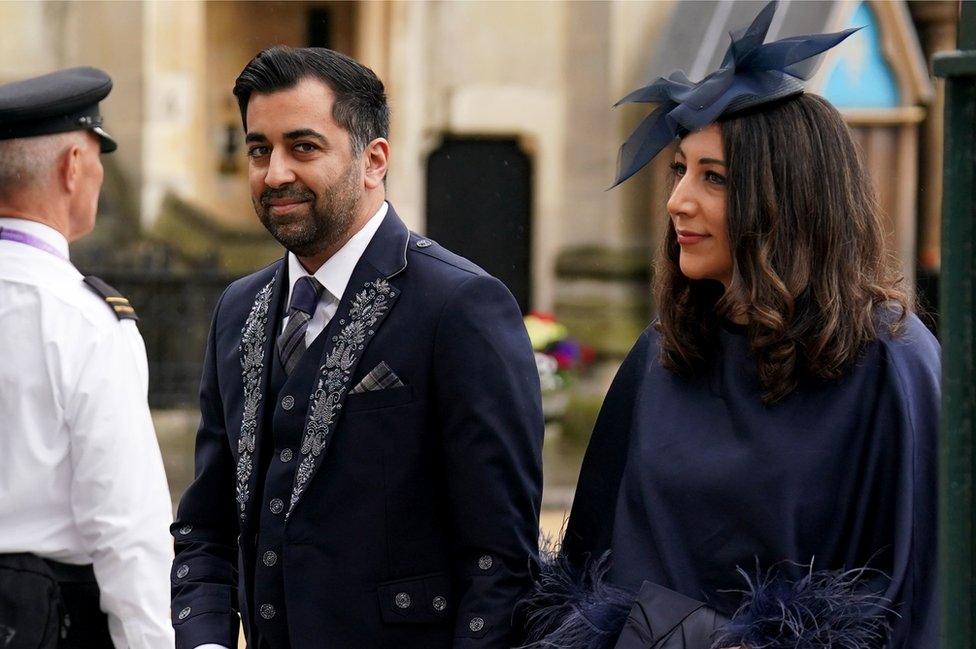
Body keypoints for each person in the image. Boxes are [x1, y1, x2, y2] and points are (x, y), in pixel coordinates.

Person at [520, 2, 938, 648]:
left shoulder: (891, 362)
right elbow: (591, 570)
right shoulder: (660, 356)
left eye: (714, 178)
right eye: (679, 169)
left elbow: (914, 596)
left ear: (788, 196)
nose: (678, 200)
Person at [170, 46, 544, 649]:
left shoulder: (461, 306)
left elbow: (500, 562)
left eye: (304, 147)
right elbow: (206, 527)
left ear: (373, 161)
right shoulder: (237, 310)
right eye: (259, 149)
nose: (275, 174)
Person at [0, 68, 175, 648]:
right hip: (40, 619)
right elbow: (128, 530)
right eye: (98, 154)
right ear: (72, 166)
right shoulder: (83, 322)